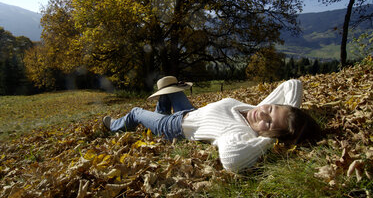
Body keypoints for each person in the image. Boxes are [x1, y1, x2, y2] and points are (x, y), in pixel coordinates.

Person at [102, 76, 321, 172]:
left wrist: (269, 140)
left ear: (269, 135)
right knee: (169, 89)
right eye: (271, 109)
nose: (263, 115)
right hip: (191, 113)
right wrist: (292, 115)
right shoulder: (257, 109)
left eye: (269, 123)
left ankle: (115, 126)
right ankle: (156, 114)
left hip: (173, 126)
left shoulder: (236, 131)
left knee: (135, 111)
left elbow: (233, 160)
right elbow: (293, 85)